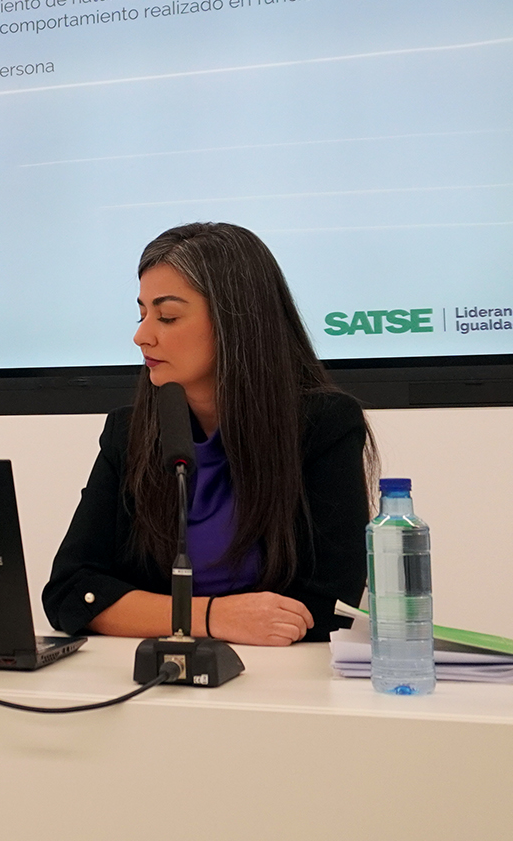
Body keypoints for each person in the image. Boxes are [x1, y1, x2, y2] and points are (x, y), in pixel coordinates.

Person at [42, 222, 374, 646]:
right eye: (142, 314)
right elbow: (71, 593)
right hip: (151, 676)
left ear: (237, 320)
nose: (141, 336)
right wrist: (213, 617)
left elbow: (326, 606)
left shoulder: (324, 424)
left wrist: (142, 611)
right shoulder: (130, 432)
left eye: (167, 316)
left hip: (281, 681)